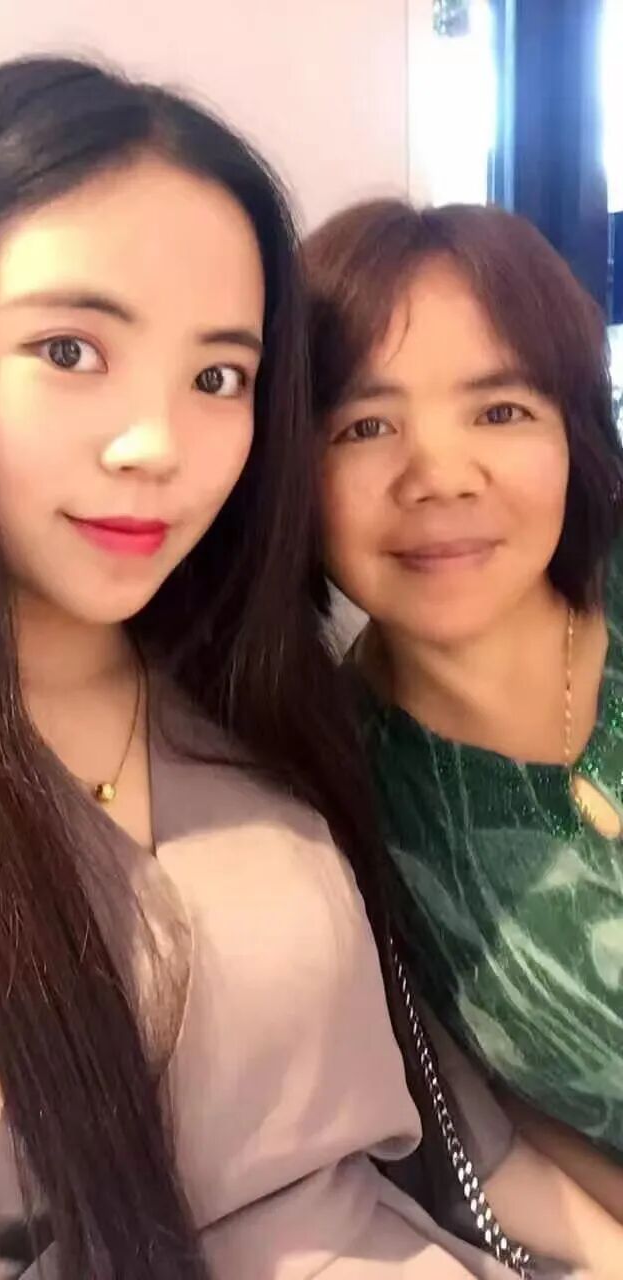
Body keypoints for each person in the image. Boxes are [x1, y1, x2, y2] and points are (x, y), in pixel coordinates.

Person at [0, 59, 611, 1280]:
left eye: (218, 376)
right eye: (70, 348)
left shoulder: (259, 700)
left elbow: (461, 1139)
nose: (156, 444)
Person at [305, 199, 623, 1231]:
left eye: (500, 411)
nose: (439, 477)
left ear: (574, 428)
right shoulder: (326, 797)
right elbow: (500, 1119)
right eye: (365, 426)